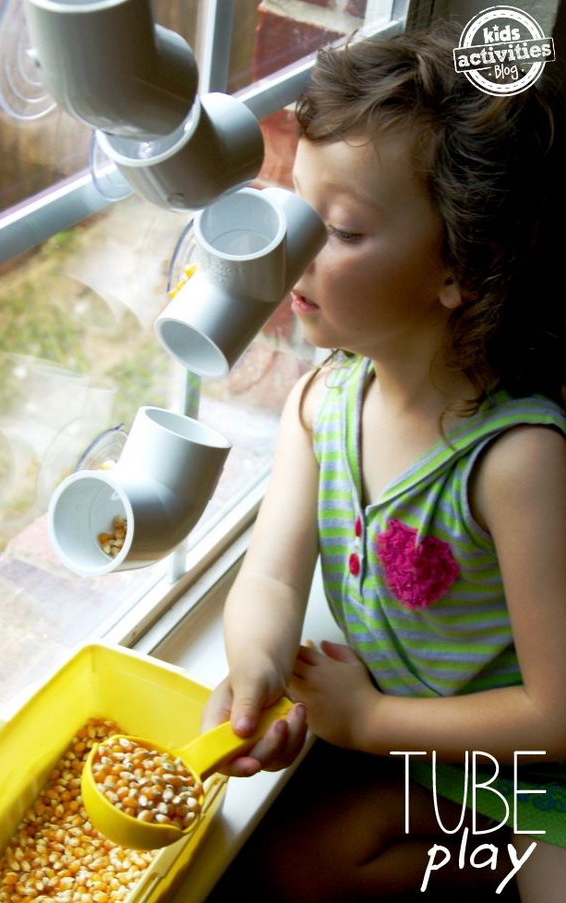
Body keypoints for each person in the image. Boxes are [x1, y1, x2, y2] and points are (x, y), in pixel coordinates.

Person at [202, 21, 566, 903]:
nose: (288, 247)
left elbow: (557, 716)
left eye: (336, 229)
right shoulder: (322, 402)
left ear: (460, 267)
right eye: (294, 206)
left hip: (521, 766)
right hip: (412, 745)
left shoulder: (517, 461)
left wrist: (368, 721)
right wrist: (255, 676)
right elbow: (274, 580)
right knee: (297, 867)